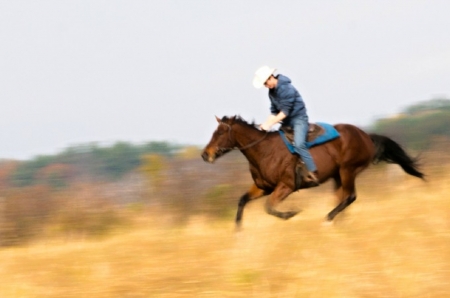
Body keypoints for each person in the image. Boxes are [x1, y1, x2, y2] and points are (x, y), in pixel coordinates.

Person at [253, 65, 319, 185]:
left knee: (299, 144)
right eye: (264, 84)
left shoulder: (286, 88)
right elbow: (274, 112)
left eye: (265, 83)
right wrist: (265, 124)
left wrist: (270, 124)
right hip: (286, 122)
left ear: (270, 77)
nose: (265, 86)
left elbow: (284, 112)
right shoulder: (271, 93)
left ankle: (313, 171)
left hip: (299, 119)